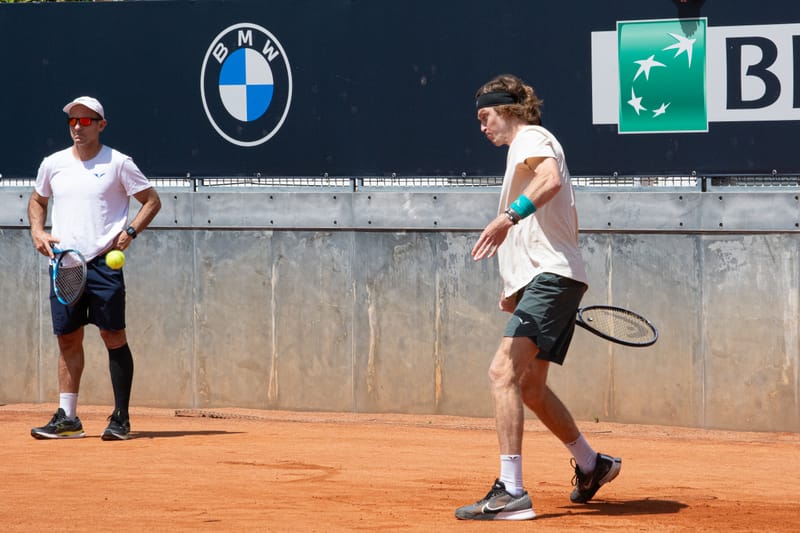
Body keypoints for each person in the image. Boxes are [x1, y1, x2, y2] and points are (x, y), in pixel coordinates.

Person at [455, 75, 621, 520]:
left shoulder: (533, 137)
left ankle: (511, 491)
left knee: (501, 373)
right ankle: (592, 465)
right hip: (550, 281)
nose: (482, 126)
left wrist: (507, 217)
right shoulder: (521, 151)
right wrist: (518, 288)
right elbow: (563, 221)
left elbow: (548, 180)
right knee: (530, 386)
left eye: (485, 116)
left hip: (553, 281)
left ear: (508, 110)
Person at [28, 96, 161, 441]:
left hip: (104, 263)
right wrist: (37, 230)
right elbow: (37, 200)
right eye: (73, 121)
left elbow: (152, 200)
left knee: (112, 336)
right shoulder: (53, 164)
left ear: (101, 125)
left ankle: (120, 419)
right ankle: (68, 418)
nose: (77, 127)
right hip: (66, 263)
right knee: (67, 339)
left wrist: (130, 231)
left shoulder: (119, 163)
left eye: (86, 121)